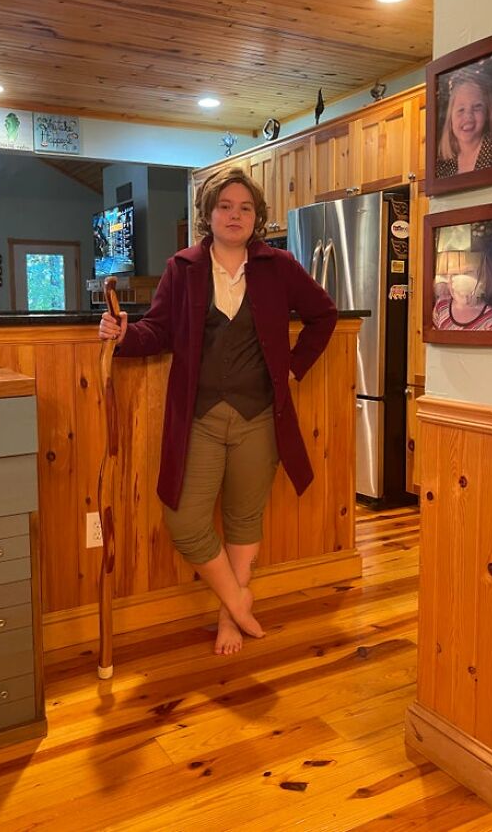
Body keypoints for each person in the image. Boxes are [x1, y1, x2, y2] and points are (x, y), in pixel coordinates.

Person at [98, 167, 337, 656]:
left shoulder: (279, 266)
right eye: (225, 206)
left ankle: (229, 619)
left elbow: (323, 315)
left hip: (259, 419)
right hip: (199, 419)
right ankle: (239, 600)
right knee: (184, 521)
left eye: (245, 208)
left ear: (257, 217)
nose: (235, 215)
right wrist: (124, 334)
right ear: (208, 215)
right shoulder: (183, 267)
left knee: (244, 518)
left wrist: (294, 369)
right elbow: (158, 330)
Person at [436, 67, 492, 178]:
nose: (468, 116)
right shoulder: (442, 165)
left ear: (488, 112)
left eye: (477, 107)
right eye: (461, 110)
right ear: (450, 118)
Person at [432, 250, 492, 330]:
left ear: (483, 277)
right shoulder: (441, 306)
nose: (461, 282)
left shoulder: (491, 320)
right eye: (454, 274)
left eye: (467, 273)